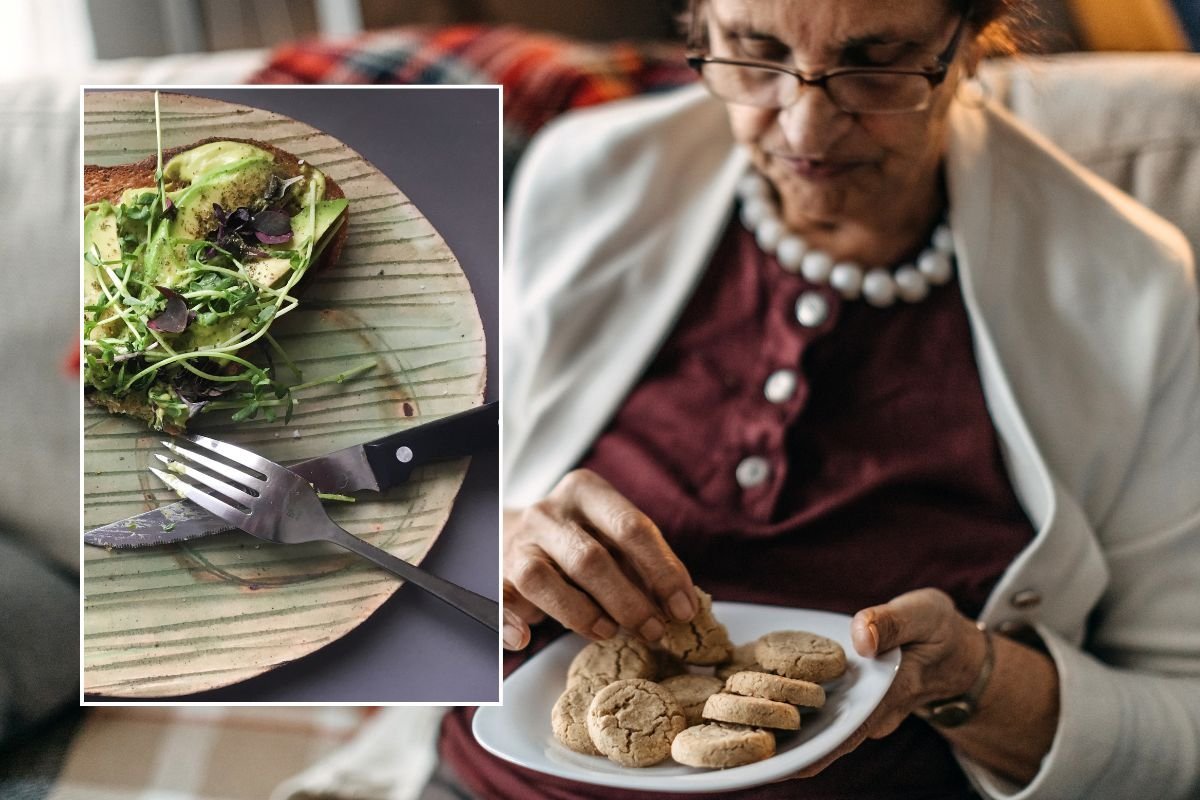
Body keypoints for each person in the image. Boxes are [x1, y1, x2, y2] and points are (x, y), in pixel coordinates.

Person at [437, 0, 1200, 797]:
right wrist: (492, 537)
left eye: (875, 65)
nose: (804, 131)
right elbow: (406, 519)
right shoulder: (585, 177)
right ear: (698, 28)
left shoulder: (1131, 289)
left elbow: (1183, 727)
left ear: (970, 41)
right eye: (755, 52)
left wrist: (972, 678)